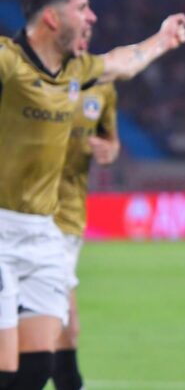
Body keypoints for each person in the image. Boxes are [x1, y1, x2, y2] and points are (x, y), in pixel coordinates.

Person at [0, 0, 185, 390]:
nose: (93, 16)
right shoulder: (8, 62)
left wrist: (162, 40)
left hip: (43, 235)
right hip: (0, 230)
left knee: (35, 371)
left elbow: (121, 62)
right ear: (52, 18)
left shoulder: (78, 71)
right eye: (82, 8)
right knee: (5, 369)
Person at [51, 81, 119, 390]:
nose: (86, 30)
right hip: (32, 220)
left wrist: (109, 150)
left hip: (68, 221)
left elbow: (111, 143)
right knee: (61, 326)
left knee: (61, 329)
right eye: (83, 26)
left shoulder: (102, 86)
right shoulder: (23, 71)